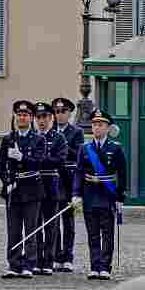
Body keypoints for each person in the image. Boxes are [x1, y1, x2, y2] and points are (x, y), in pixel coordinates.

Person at [71, 110, 127, 280]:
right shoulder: (84, 148)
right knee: (93, 233)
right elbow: (79, 172)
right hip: (89, 194)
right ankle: (95, 265)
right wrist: (76, 193)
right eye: (94, 124)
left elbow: (122, 174)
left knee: (107, 233)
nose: (97, 127)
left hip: (107, 194)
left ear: (108, 128)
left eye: (101, 124)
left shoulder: (115, 148)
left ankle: (105, 266)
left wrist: (120, 197)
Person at [0, 100, 48, 279]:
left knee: (31, 229)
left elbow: (39, 161)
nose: (22, 118)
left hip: (32, 188)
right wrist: (6, 181)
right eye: (19, 115)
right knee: (13, 229)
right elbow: (1, 166)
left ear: (31, 118)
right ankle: (14, 263)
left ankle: (29, 264)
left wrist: (23, 157)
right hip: (14, 189)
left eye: (25, 115)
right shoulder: (8, 139)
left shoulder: (39, 139)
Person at [33, 102, 67, 275]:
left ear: (51, 118)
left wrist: (38, 159)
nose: (41, 121)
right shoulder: (31, 136)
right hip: (33, 184)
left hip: (51, 183)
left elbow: (59, 160)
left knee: (50, 225)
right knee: (35, 225)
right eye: (38, 117)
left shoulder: (58, 138)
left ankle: (49, 260)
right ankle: (36, 259)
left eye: (45, 117)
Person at [52, 97, 83, 272]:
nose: (59, 115)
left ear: (69, 113)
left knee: (68, 221)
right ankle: (57, 255)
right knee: (54, 219)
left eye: (63, 112)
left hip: (69, 179)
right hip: (55, 181)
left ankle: (68, 256)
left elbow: (78, 154)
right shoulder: (51, 130)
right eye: (56, 112)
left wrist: (63, 145)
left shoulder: (76, 132)